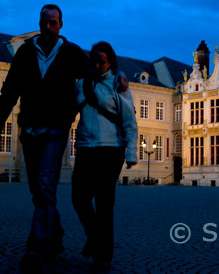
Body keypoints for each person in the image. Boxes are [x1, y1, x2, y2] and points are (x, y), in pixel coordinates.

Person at [0, 4, 91, 273]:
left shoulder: (71, 53)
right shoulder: (25, 52)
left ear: (61, 25)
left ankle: (36, 248)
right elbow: (10, 89)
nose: (48, 27)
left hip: (57, 130)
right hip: (30, 129)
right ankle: (54, 235)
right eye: (44, 22)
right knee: (37, 190)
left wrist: (76, 109)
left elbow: (92, 79)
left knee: (46, 186)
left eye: (53, 23)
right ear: (40, 22)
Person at [72, 41, 137, 273]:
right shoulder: (81, 84)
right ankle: (94, 237)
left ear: (110, 63)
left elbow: (130, 121)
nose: (98, 65)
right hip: (85, 149)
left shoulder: (118, 85)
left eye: (102, 62)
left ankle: (103, 255)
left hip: (111, 150)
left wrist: (131, 153)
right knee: (78, 199)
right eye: (95, 61)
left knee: (104, 204)